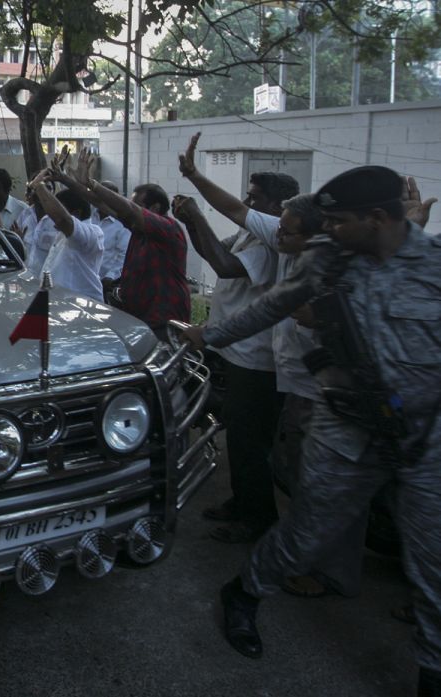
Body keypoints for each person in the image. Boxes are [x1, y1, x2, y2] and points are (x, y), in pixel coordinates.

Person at [184, 166, 441, 696]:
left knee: (433, 559)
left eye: (341, 221)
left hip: (425, 440)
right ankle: (245, 593)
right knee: (307, 534)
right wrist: (210, 336)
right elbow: (276, 302)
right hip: (347, 428)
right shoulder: (331, 257)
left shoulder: (434, 267)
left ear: (377, 217)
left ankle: (432, 672)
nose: (331, 229)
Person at [177, 132, 297, 543]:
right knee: (241, 439)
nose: (247, 205)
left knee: (249, 444)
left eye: (255, 199)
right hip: (237, 353)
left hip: (257, 359)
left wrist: (195, 187)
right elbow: (214, 252)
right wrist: (192, 221)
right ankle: (242, 502)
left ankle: (257, 519)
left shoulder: (272, 239)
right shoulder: (253, 234)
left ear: (278, 207)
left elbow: (227, 267)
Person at [65, 148, 190, 339]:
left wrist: (92, 183)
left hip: (163, 324)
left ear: (155, 208)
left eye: (137, 205)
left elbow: (127, 210)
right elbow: (101, 204)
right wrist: (65, 180)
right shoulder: (140, 229)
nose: (131, 209)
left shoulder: (167, 228)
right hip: (141, 320)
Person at [25, 166, 104, 301]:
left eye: (55, 213)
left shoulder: (92, 233)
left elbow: (62, 219)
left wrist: (39, 185)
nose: (52, 219)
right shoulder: (62, 234)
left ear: (76, 214)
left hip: (83, 309)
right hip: (60, 306)